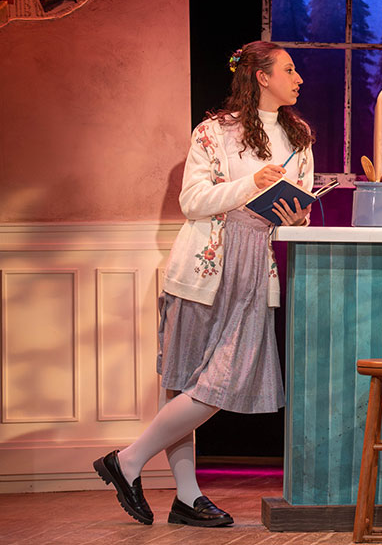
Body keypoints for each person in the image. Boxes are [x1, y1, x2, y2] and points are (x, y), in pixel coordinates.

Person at [93, 41, 314, 527]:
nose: (298, 78)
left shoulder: (300, 136)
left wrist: (297, 215)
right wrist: (252, 183)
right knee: (187, 383)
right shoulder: (214, 132)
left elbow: (295, 208)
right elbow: (193, 201)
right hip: (204, 264)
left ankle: (127, 460)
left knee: (222, 382)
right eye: (289, 69)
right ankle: (187, 496)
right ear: (260, 76)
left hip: (256, 265)